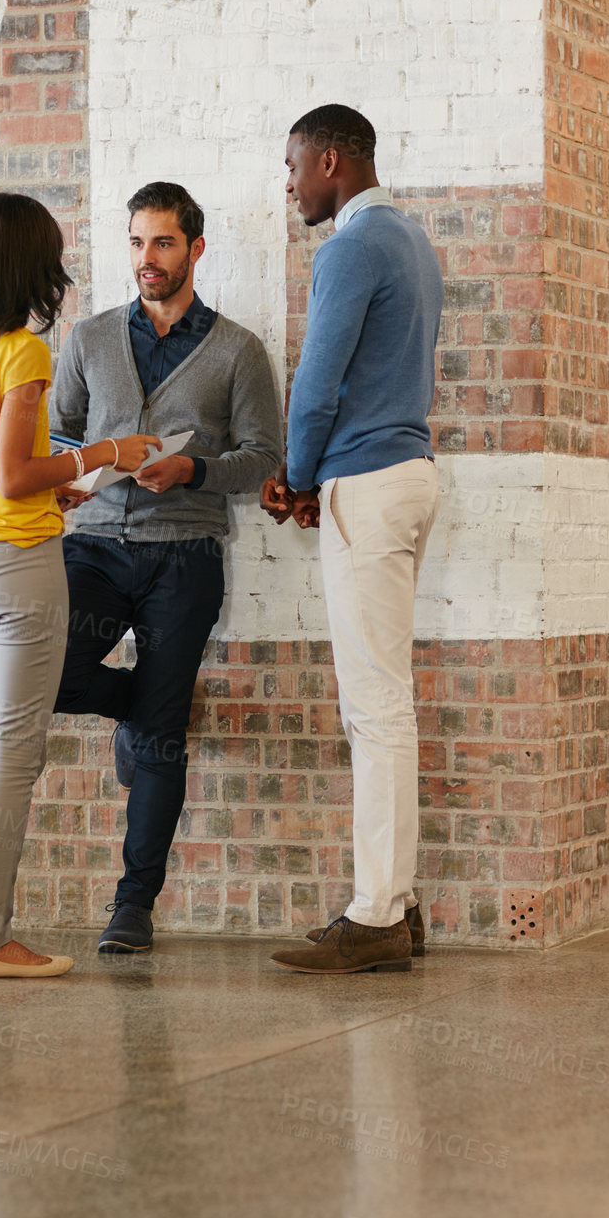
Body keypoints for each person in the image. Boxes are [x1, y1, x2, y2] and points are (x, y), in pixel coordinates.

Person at [0, 192, 159, 979]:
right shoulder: (23, 352)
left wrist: (45, 487)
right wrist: (106, 453)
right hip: (20, 571)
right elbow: (15, 473)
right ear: (31, 261)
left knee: (3, 756)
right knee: (18, 758)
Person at [50, 181, 283, 954]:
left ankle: (133, 907)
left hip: (184, 558)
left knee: (159, 740)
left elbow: (262, 461)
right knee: (51, 674)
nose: (147, 260)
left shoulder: (239, 350)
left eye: (163, 244)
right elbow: (56, 438)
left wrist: (194, 473)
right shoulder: (87, 339)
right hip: (95, 547)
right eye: (137, 243)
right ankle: (142, 706)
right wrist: (82, 470)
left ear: (195, 249)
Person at [262, 105, 443, 977]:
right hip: (406, 476)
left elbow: (316, 382)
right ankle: (398, 907)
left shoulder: (349, 248)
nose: (289, 182)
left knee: (373, 711)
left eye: (294, 164)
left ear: (332, 160)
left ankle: (376, 913)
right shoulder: (413, 242)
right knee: (388, 707)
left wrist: (297, 478)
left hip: (366, 486)